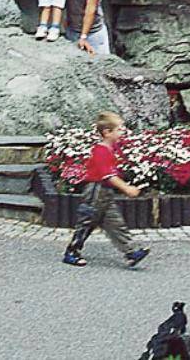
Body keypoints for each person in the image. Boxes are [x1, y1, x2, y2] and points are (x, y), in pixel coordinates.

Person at [62, 111, 150, 269]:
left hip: (106, 192)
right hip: (96, 191)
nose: (123, 132)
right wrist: (127, 188)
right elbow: (107, 175)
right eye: (120, 129)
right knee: (87, 221)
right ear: (107, 132)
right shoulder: (100, 151)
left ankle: (130, 252)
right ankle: (72, 251)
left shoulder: (109, 148)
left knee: (115, 223)